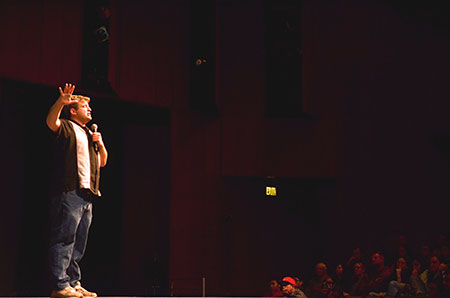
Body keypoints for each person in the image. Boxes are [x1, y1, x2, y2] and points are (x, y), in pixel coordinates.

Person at [46, 83, 108, 298]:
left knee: (79, 243)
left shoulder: (91, 134)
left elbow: (102, 163)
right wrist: (60, 103)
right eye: (84, 107)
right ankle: (60, 284)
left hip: (87, 194)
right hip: (70, 191)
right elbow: (50, 122)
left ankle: (73, 282)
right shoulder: (66, 126)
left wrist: (100, 143)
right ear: (73, 111)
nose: (89, 110)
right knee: (64, 238)